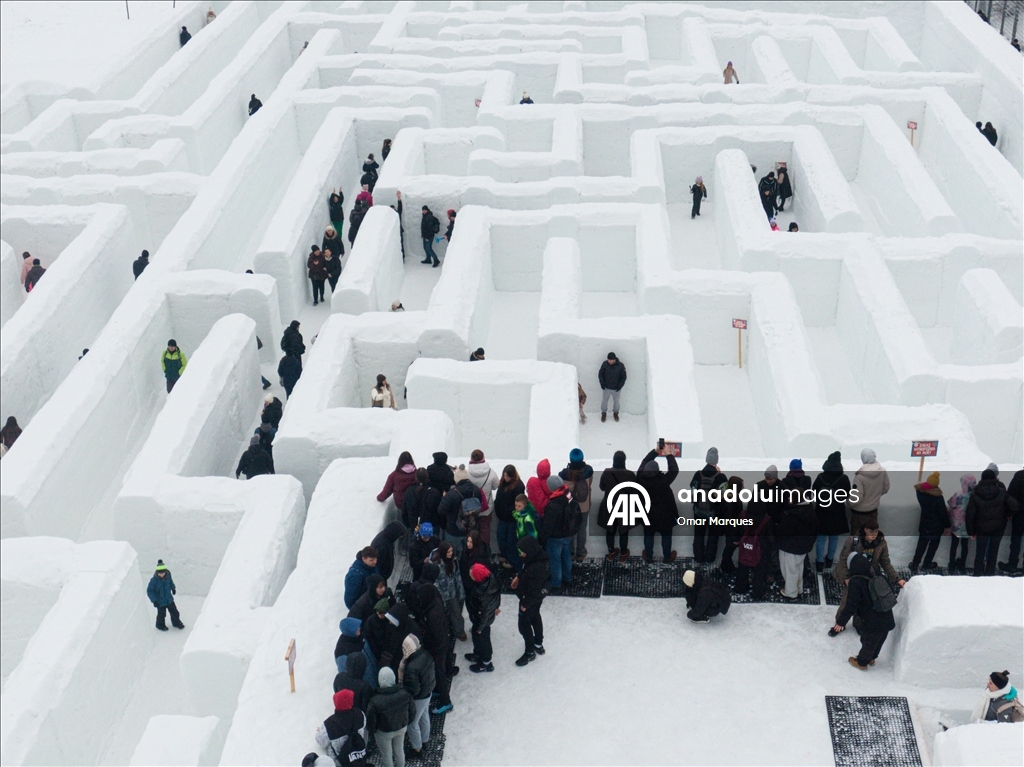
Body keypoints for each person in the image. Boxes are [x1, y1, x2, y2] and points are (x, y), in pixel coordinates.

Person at [831, 520, 905, 630]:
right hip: (853, 576)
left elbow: (885, 562)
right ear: (865, 530)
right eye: (871, 531)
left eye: (876, 531)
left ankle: (859, 623)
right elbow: (843, 561)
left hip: (870, 576)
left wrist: (897, 579)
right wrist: (846, 578)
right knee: (847, 601)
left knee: (865, 602)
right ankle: (839, 624)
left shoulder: (881, 543)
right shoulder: (853, 541)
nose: (874, 534)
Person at [833, 553, 895, 671]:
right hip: (886, 614)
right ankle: (872, 658)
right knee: (879, 639)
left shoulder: (856, 582)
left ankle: (862, 662)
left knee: (868, 641)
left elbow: (851, 605)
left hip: (871, 618)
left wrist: (841, 622)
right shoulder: (876, 572)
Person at [408, 564, 454, 715]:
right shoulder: (435, 601)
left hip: (438, 648)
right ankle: (439, 690)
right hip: (443, 643)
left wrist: (432, 648)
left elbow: (435, 635)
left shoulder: (433, 614)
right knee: (439, 670)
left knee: (439, 672)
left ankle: (446, 701)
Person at [776, 459, 816, 600]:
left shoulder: (791, 514)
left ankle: (791, 592)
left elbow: (783, 530)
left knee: (790, 570)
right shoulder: (809, 510)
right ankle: (799, 589)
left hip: (790, 547)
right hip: (804, 547)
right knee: (798, 569)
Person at [967, 469, 1019, 575]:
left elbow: (970, 514)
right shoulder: (1001, 492)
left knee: (980, 552)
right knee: (993, 552)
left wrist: (971, 531)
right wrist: (1007, 513)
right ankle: (990, 574)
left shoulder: (975, 493)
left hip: (981, 528)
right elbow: (1015, 506)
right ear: (995, 478)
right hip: (998, 527)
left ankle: (978, 574)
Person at [637, 446, 680, 563]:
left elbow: (644, 461)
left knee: (648, 535)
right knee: (666, 536)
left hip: (648, 515)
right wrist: (668, 454)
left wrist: (655, 451)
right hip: (665, 516)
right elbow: (674, 470)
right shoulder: (663, 481)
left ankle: (649, 556)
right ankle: (667, 557)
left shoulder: (640, 478)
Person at [366, 667, 415, 767]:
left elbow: (371, 721)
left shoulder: (375, 701)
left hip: (384, 733)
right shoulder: (405, 694)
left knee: (387, 755)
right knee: (399, 751)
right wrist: (406, 722)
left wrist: (374, 730)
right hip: (401, 728)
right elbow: (413, 711)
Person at [512, 535, 548, 666]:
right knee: (535, 617)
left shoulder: (535, 569)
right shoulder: (538, 559)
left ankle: (529, 652)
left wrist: (525, 603)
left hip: (528, 600)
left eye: (522, 551)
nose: (521, 554)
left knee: (524, 625)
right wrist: (519, 576)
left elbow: (533, 589)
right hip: (536, 600)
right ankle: (538, 643)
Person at [689, 447, 727, 562]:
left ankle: (698, 557)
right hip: (714, 513)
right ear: (716, 461)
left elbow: (692, 489)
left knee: (699, 535)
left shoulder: (698, 474)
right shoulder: (721, 477)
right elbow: (725, 494)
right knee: (713, 536)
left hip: (698, 511)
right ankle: (710, 558)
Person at [398, 634, 434, 756]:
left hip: (419, 697)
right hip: (428, 691)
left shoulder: (411, 667)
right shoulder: (426, 653)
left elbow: (414, 689)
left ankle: (417, 748)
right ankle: (425, 740)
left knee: (412, 723)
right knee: (424, 716)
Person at [814, 452, 851, 572]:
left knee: (821, 538)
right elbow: (847, 494)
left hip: (821, 512)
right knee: (833, 538)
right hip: (837, 512)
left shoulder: (820, 477)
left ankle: (819, 562)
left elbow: (814, 492)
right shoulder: (844, 478)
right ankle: (829, 560)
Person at [598, 451, 636, 561]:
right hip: (624, 506)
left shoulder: (606, 473)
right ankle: (623, 554)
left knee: (610, 530)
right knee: (623, 531)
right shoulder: (630, 475)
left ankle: (611, 552)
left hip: (609, 505)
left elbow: (602, 487)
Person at [541, 476, 577, 591]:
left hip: (555, 537)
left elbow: (547, 526)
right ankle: (568, 577)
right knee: (566, 557)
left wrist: (542, 539)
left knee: (555, 560)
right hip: (567, 534)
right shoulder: (568, 494)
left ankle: (556, 583)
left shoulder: (552, 505)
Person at [439, 466, 489, 550]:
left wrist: (444, 498)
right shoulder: (476, 490)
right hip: (471, 529)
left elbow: (441, 510)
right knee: (470, 554)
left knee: (452, 555)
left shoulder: (451, 494)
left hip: (453, 530)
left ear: (456, 479)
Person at [315, 689, 368, 767]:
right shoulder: (360, 714)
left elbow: (321, 741)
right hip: (358, 755)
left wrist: (320, 730)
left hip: (340, 761)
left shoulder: (329, 723)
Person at [559, 448, 594, 562]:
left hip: (570, 506)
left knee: (570, 529)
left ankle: (570, 553)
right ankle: (580, 553)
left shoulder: (564, 474)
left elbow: (563, 489)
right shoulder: (588, 472)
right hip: (584, 506)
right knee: (582, 529)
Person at [465, 562, 500, 672]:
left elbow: (483, 613)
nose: (470, 576)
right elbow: (497, 596)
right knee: (477, 638)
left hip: (482, 621)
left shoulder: (482, 594)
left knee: (483, 640)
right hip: (482, 618)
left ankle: (486, 662)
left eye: (472, 574)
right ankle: (478, 654)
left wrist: (479, 627)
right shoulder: (490, 581)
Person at [910, 472, 947, 572]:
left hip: (924, 525)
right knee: (932, 546)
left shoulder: (921, 493)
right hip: (936, 527)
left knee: (921, 545)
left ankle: (915, 563)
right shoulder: (938, 498)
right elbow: (942, 513)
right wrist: (947, 525)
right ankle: (927, 563)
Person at [431, 541, 466, 642]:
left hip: (451, 593)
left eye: (451, 551)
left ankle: (459, 631)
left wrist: (460, 593)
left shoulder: (454, 561)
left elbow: (457, 577)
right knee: (439, 615)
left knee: (456, 613)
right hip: (439, 595)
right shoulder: (435, 563)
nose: (451, 554)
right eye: (448, 552)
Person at [849, 448, 889, 531]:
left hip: (859, 514)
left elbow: (856, 498)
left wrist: (848, 502)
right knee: (871, 535)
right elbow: (885, 488)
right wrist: (875, 495)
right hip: (873, 511)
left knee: (857, 536)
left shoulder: (860, 476)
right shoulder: (882, 471)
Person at [494, 465, 525, 570]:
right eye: (504, 476)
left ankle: (513, 560)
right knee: (501, 537)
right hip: (503, 517)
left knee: (511, 541)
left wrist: (507, 512)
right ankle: (506, 555)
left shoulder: (519, 486)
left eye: (508, 476)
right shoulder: (503, 483)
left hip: (511, 518)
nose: (506, 478)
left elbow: (518, 503)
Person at [467, 449, 499, 543]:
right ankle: (485, 551)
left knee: (472, 530)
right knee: (485, 529)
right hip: (486, 508)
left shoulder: (468, 473)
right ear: (483, 458)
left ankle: (473, 550)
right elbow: (495, 486)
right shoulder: (490, 472)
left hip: (471, 509)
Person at [946, 474, 976, 571]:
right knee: (965, 545)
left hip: (956, 524)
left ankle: (951, 564)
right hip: (968, 525)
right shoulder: (974, 496)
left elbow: (951, 503)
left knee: (954, 545)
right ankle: (962, 564)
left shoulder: (958, 495)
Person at [717, 475, 746, 573]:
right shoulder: (732, 502)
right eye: (742, 486)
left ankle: (726, 566)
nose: (743, 488)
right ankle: (725, 567)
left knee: (728, 549)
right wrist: (735, 537)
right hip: (732, 531)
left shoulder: (729, 498)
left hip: (729, 529)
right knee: (729, 549)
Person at [146, 559, 185, 631]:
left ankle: (176, 622)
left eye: (163, 573)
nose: (162, 574)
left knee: (174, 612)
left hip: (169, 599)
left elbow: (170, 582)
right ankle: (160, 625)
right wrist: (154, 600)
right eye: (160, 573)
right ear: (157, 573)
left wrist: (173, 588)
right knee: (161, 614)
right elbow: (149, 590)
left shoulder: (168, 575)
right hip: (160, 601)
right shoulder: (154, 580)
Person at [404, 471, 443, 536]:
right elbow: (439, 511)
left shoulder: (409, 491)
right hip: (432, 526)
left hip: (414, 526)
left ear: (416, 478)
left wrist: (408, 525)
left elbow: (404, 511)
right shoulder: (434, 492)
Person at [1000, 468, 1024, 573]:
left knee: (1016, 540)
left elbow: (1011, 495)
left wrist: (1009, 512)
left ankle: (1012, 564)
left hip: (1020, 514)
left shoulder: (1019, 476)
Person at [598, 352, 627, 422]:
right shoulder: (605, 364)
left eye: (611, 360)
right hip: (606, 388)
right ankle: (604, 413)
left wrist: (620, 386)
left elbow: (623, 377)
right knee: (604, 401)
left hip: (616, 389)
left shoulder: (620, 365)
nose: (610, 361)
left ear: (614, 359)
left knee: (616, 402)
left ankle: (616, 413)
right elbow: (600, 374)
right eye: (609, 359)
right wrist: (602, 383)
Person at [390, 190, 405, 260]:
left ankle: (402, 257)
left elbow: (400, 208)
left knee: (400, 244)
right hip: (394, 232)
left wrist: (399, 199)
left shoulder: (397, 214)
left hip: (399, 231)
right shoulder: (389, 216)